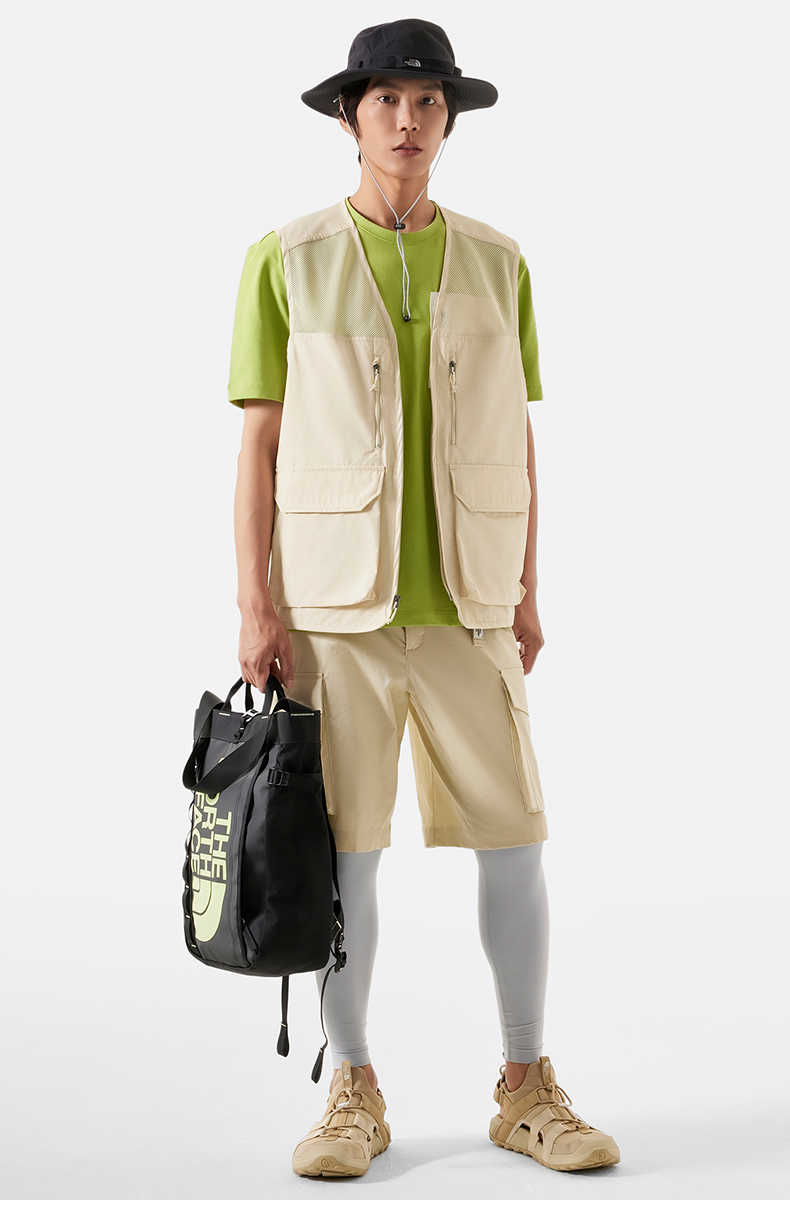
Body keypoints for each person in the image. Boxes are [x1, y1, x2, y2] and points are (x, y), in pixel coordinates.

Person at [227, 17, 620, 1179]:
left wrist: (527, 587)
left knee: (514, 840)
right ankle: (351, 1087)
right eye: (386, 100)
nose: (407, 120)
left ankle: (524, 1082)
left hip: (469, 605)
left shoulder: (499, 261)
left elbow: (517, 437)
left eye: (427, 102)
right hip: (331, 614)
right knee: (345, 858)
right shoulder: (285, 257)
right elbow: (259, 449)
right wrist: (255, 606)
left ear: (448, 120)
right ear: (350, 117)